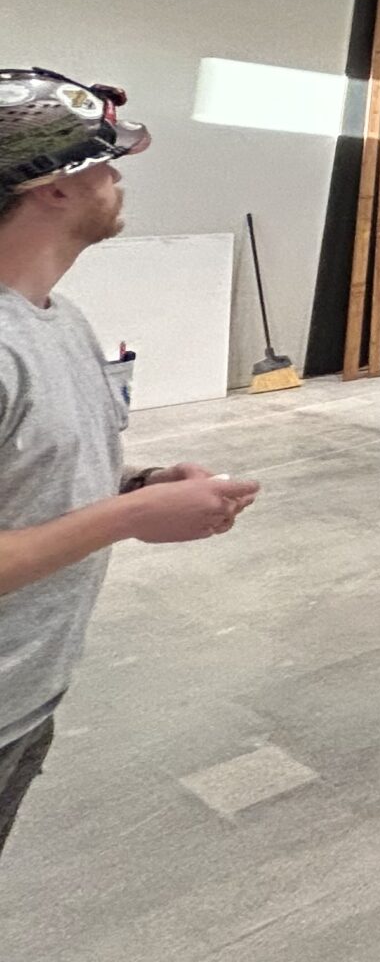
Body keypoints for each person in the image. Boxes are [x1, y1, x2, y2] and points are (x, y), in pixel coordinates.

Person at [0, 70, 260, 858]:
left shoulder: (56, 317)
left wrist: (137, 485)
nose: (116, 179)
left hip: (24, 697)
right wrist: (132, 518)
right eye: (106, 162)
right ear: (53, 186)